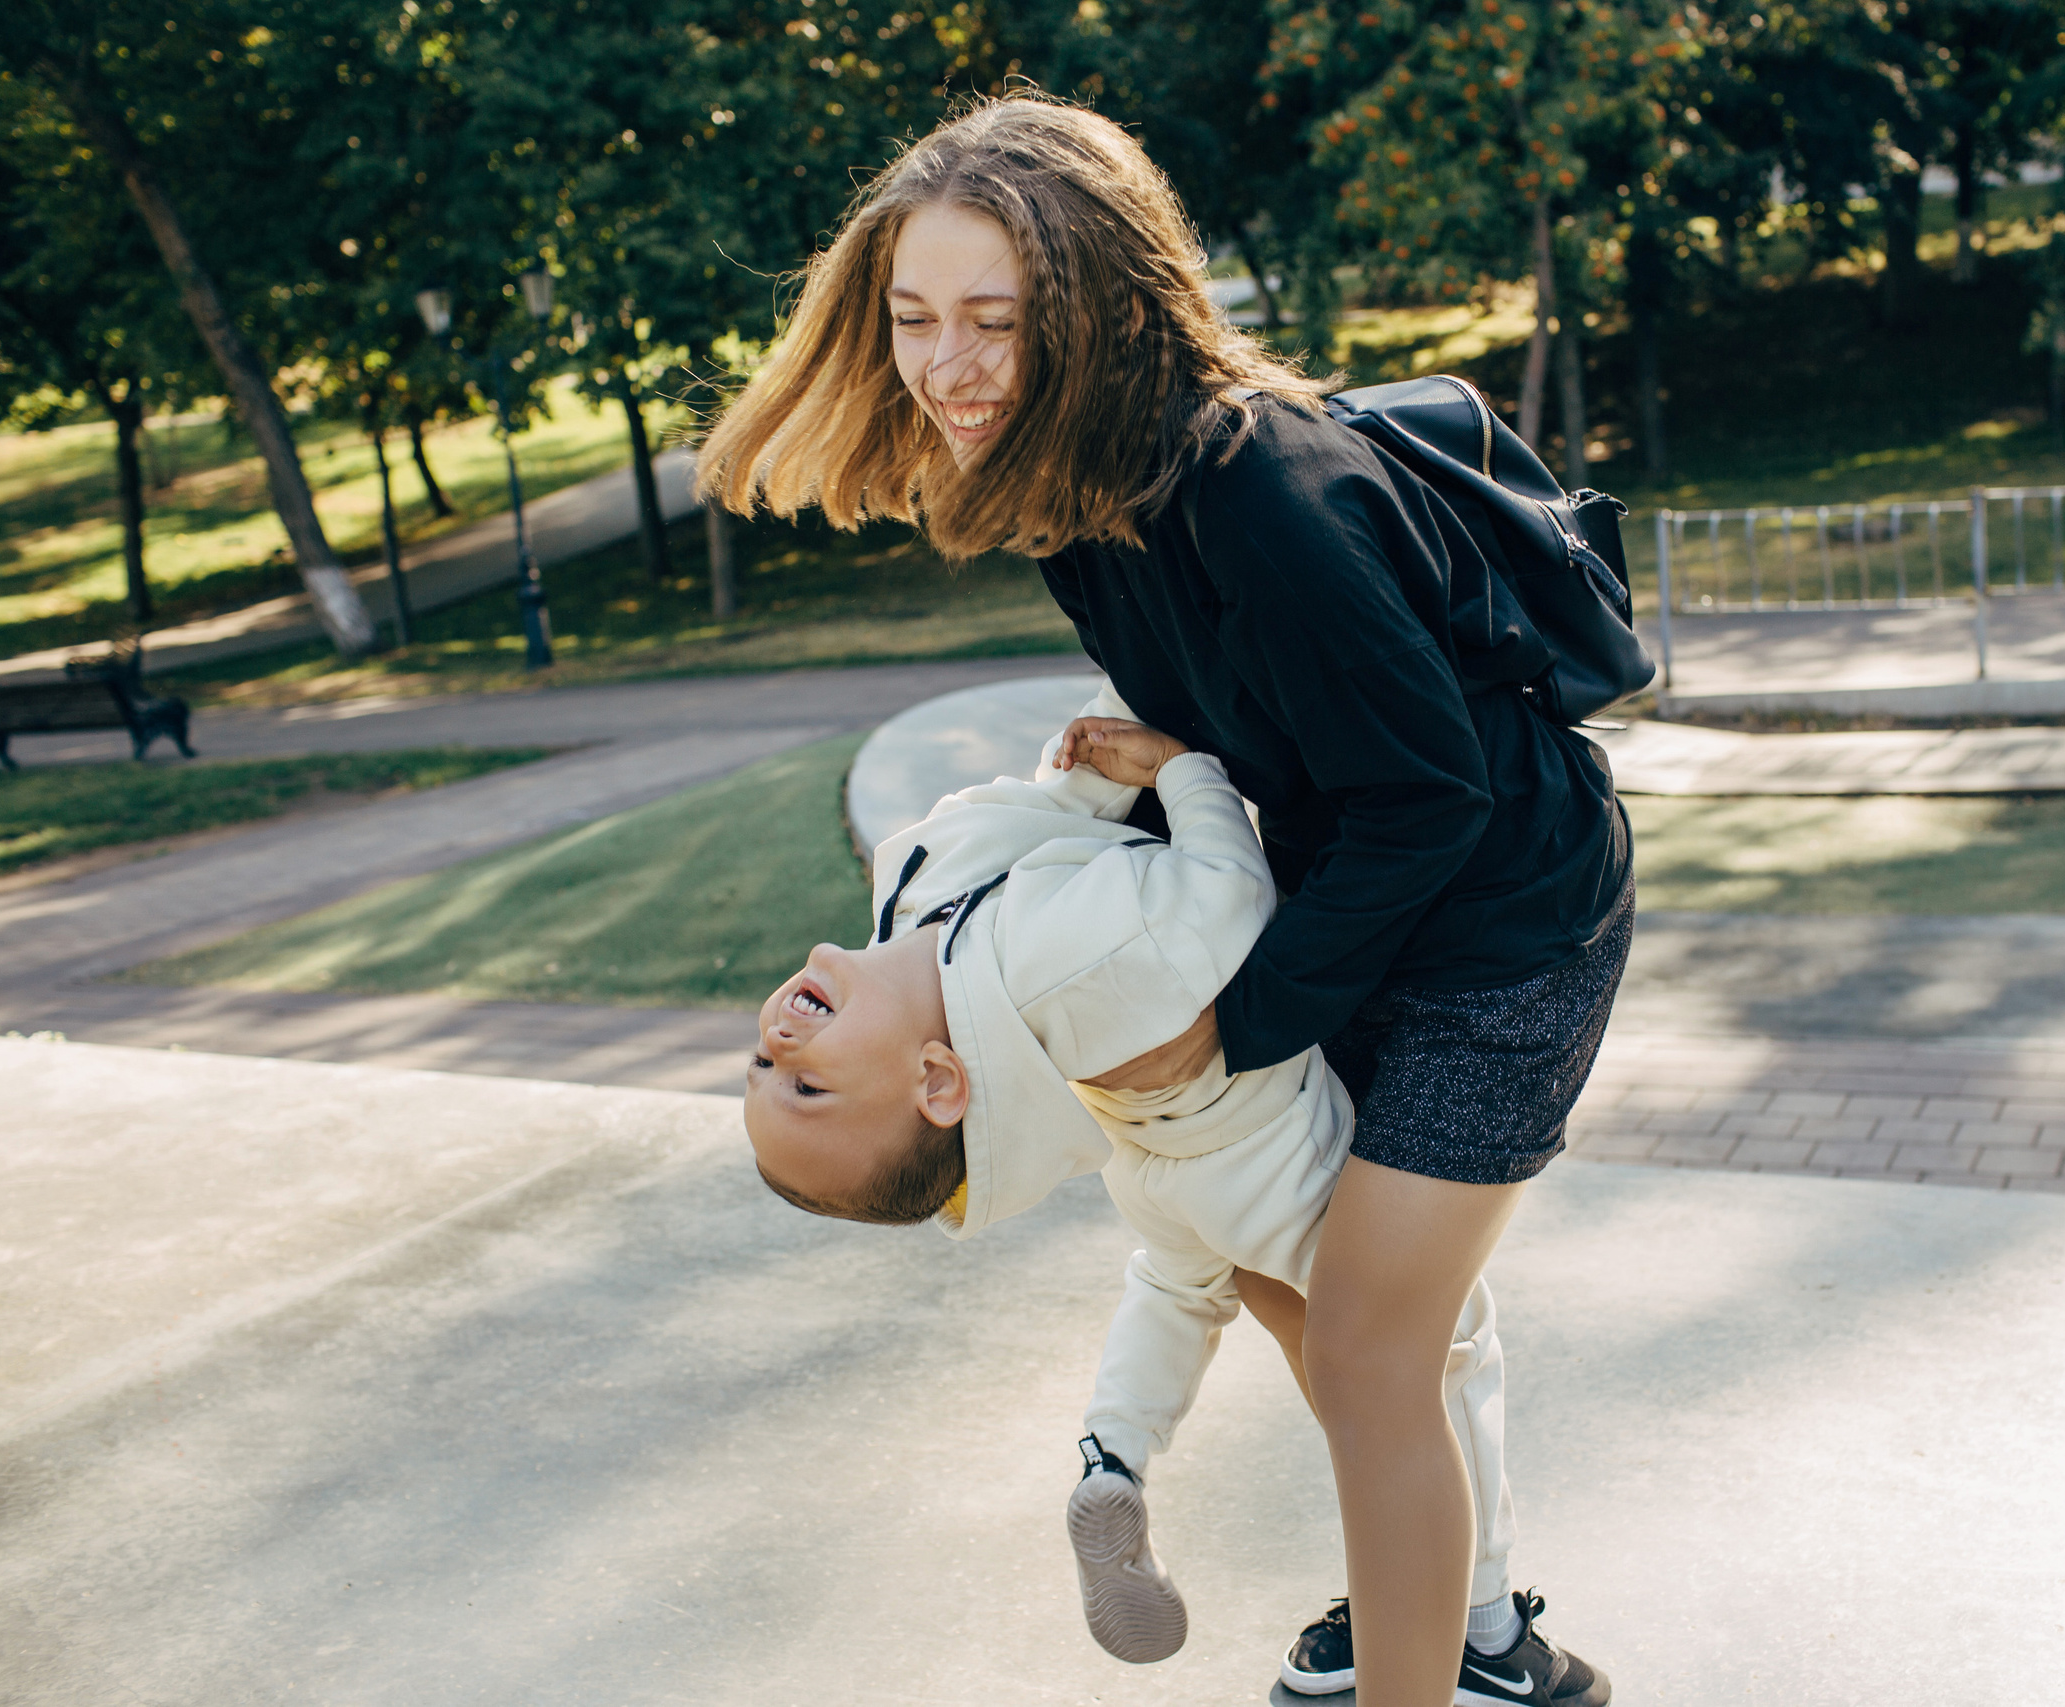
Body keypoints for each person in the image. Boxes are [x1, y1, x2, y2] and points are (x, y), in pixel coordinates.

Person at [698, 92, 1630, 1707]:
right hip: (1339, 902)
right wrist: (1154, 767)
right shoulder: (1067, 500)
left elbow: (1434, 794)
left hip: (1503, 926)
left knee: (1363, 1348)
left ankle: (1445, 1667)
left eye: (996, 318)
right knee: (1297, 1302)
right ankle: (1468, 1628)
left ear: (1097, 306)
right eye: (914, 320)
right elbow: (1274, 718)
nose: (949, 364)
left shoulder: (1260, 486)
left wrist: (1232, 1029)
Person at [744, 708, 1524, 1685]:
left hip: (1150, 1169)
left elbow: (1025, 822)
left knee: (1172, 1287)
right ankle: (1481, 1623)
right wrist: (1184, 771)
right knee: (1438, 1346)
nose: (776, 1050)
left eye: (760, 1068)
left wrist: (1090, 773)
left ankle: (1112, 1458)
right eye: (805, 1089)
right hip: (1258, 1153)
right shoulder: (1058, 958)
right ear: (937, 1083)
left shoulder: (912, 897)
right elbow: (1228, 899)